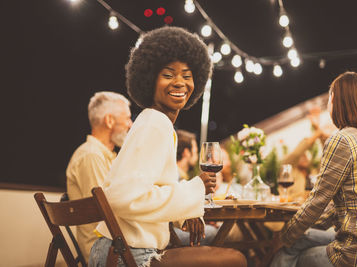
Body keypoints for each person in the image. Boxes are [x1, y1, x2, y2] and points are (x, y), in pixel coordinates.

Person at [89, 26, 247, 267]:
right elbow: (122, 197)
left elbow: (147, 189)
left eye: (187, 75)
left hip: (117, 249)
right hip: (126, 255)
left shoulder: (151, 121)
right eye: (168, 74)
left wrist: (186, 209)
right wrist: (196, 189)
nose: (180, 82)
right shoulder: (155, 123)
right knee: (235, 260)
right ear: (149, 79)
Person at [271, 72, 357, 267]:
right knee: (298, 240)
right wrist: (299, 231)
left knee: (293, 252)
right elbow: (336, 205)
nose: (328, 106)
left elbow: (317, 201)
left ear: (339, 102)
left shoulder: (342, 139)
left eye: (330, 98)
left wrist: (285, 235)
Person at [66, 91, 133, 261]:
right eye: (127, 118)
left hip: (116, 244)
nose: (131, 124)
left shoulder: (109, 156)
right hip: (105, 250)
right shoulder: (91, 156)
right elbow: (108, 212)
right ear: (109, 120)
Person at [174, 129, 218, 246]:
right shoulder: (175, 175)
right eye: (195, 150)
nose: (197, 154)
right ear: (186, 152)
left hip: (173, 228)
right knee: (215, 233)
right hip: (171, 233)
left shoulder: (181, 175)